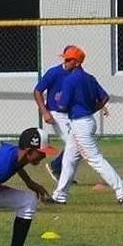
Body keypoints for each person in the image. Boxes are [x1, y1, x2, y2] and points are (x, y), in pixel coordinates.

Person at [49, 46, 123, 205]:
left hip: (80, 123)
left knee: (95, 159)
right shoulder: (89, 78)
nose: (65, 62)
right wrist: (91, 109)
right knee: (68, 160)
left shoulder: (70, 80)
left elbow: (61, 106)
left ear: (76, 62)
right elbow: (104, 97)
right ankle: (59, 196)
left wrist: (58, 97)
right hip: (86, 120)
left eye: (68, 60)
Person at [34, 46, 77, 182]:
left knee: (78, 144)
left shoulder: (76, 73)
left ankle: (61, 170)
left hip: (70, 114)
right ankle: (56, 167)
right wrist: (45, 112)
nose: (74, 62)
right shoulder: (54, 73)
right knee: (75, 144)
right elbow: (37, 91)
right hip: (55, 114)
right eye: (69, 59)